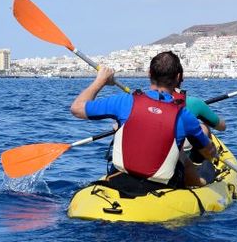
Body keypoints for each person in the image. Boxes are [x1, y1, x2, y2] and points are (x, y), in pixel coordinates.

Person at [70, 51, 216, 189]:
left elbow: (77, 108)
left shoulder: (125, 102)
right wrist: (210, 151)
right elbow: (208, 152)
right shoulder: (184, 115)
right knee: (183, 156)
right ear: (178, 78)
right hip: (162, 185)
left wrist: (100, 80)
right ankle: (200, 183)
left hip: (120, 179)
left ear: (149, 73)